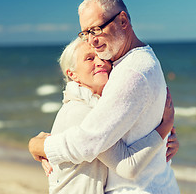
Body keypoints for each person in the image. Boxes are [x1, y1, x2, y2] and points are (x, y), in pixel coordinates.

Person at [29, 0, 180, 193]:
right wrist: (164, 132)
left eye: (96, 30)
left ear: (123, 21)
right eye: (85, 33)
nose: (91, 41)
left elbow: (86, 143)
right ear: (71, 74)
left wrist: (38, 146)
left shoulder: (131, 72)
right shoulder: (132, 62)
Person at [39, 38, 177, 193]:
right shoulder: (81, 111)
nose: (100, 62)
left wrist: (165, 142)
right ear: (73, 74)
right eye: (89, 58)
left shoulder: (98, 104)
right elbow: (128, 165)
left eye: (102, 57)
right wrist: (165, 126)